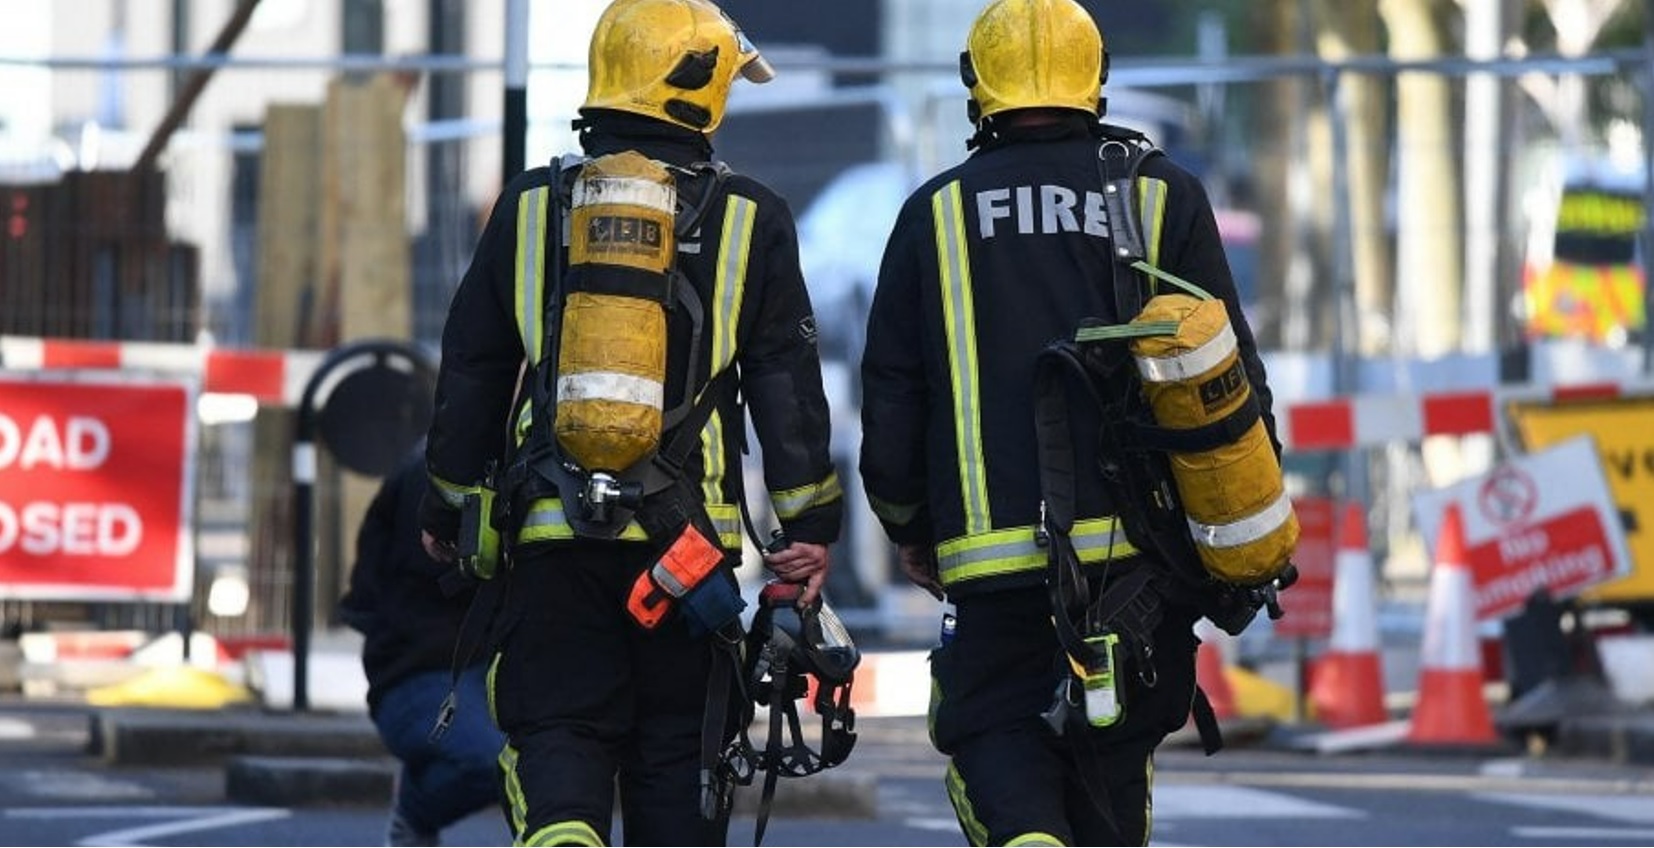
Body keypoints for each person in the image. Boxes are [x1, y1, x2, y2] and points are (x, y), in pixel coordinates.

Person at [858, 0, 1287, 845]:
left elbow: (895, 393)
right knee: (1114, 761)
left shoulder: (935, 214)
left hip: (993, 565)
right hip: (1141, 566)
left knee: (995, 734)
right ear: (1096, 81)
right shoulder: (1162, 192)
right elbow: (1233, 376)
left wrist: (908, 525)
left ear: (977, 85)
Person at [416, 1, 844, 845]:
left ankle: (567, 831)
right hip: (687, 556)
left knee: (560, 733)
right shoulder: (752, 218)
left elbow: (473, 368)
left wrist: (448, 508)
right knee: (678, 759)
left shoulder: (532, 204)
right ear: (704, 90)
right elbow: (787, 392)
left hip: (551, 539)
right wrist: (810, 528)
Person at [339, 446, 505, 847]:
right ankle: (414, 808)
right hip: (421, 670)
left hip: (467, 664)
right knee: (491, 762)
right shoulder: (436, 472)